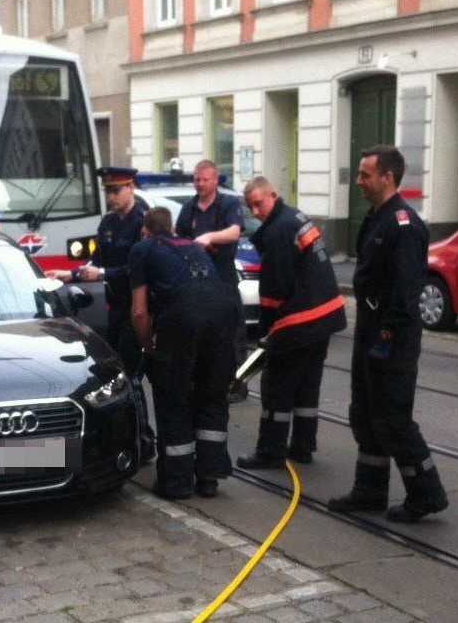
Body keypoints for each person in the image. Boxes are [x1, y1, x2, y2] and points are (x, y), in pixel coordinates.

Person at [328, 145, 448, 523]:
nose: (359, 181)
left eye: (365, 174)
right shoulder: (375, 218)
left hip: (391, 338)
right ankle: (370, 489)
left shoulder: (404, 225)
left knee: (393, 418)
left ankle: (426, 492)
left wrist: (386, 340)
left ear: (387, 178)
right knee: (363, 414)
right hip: (370, 331)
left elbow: (407, 291)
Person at [45, 166, 156, 461]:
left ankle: (145, 441)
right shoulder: (108, 222)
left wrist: (103, 272)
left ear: (131, 188)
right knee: (119, 373)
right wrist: (71, 275)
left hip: (139, 306)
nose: (111, 197)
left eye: (116, 190)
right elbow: (97, 260)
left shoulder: (141, 222)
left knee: (130, 375)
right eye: (107, 191)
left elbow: (139, 268)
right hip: (117, 307)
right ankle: (137, 438)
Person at [235, 177, 347, 469]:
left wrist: (266, 335)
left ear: (273, 195)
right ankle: (303, 447)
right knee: (307, 386)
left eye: (258, 203)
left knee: (277, 386)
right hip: (324, 317)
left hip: (299, 321)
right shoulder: (294, 216)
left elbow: (274, 292)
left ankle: (270, 452)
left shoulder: (278, 232)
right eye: (250, 207)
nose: (256, 211)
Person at [130, 207, 238, 499]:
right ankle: (209, 477)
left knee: (173, 398)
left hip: (183, 318)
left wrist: (149, 349)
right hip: (225, 314)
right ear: (173, 229)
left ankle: (176, 483)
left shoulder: (143, 249)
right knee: (212, 395)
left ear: (146, 230)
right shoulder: (192, 245)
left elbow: (139, 312)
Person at [175, 160, 248, 403]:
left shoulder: (228, 204)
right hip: (197, 280)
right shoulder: (189, 208)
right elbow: (180, 238)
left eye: (205, 179)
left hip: (223, 277)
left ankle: (238, 386)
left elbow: (234, 232)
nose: (200, 184)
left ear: (216, 180)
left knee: (233, 332)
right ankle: (206, 382)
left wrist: (208, 237)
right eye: (197, 179)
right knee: (202, 332)